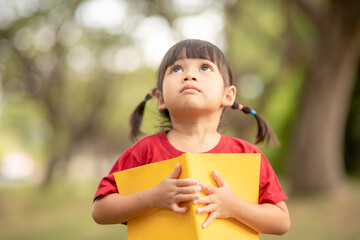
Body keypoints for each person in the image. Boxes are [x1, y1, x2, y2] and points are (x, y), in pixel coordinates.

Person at [92, 39, 290, 235]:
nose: (189, 75)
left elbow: (281, 222)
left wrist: (234, 206)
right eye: (176, 69)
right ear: (161, 99)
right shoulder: (143, 153)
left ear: (228, 96)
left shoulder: (247, 156)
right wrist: (153, 197)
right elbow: (100, 211)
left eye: (205, 67)